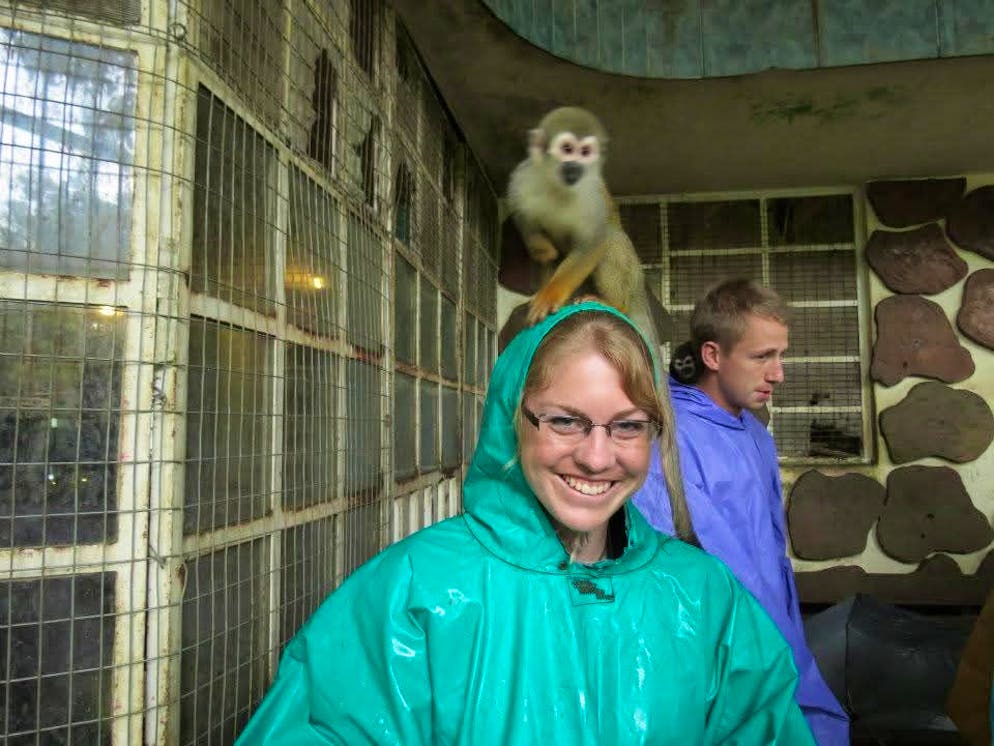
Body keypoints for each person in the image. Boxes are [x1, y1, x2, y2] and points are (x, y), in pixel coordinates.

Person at [237, 301, 815, 745]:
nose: (595, 457)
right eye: (565, 421)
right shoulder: (413, 593)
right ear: (513, 420)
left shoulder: (705, 596)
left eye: (628, 425)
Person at [633, 279, 850, 745]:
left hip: (779, 639)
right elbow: (669, 578)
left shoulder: (753, 431)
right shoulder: (669, 441)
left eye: (780, 355)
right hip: (723, 658)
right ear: (712, 356)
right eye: (762, 356)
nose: (778, 374)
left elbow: (769, 552)